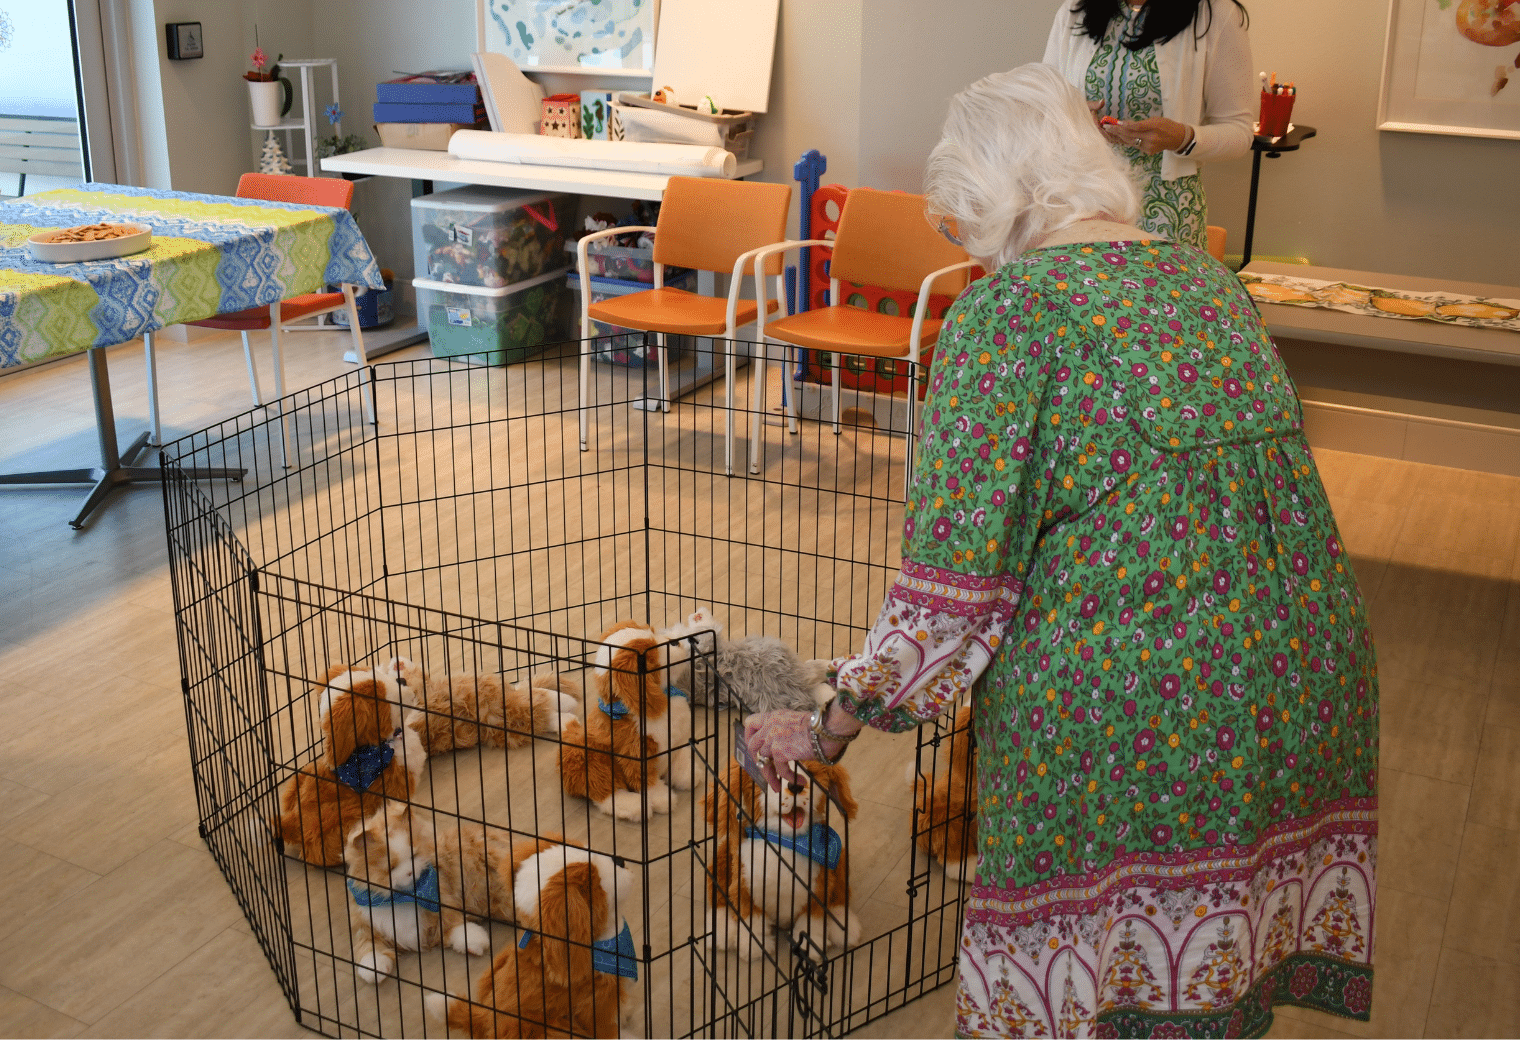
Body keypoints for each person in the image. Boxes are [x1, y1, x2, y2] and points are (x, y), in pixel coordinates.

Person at [743, 63, 1377, 1039]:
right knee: (1203, 967)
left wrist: (829, 726)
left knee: (1087, 976)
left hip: (1140, 709)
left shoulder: (1011, 313)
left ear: (988, 201)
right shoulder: (1205, 280)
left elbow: (952, 588)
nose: (973, 253)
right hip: (1298, 677)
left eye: (963, 228)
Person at [1043, 0, 1255, 252]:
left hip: (1167, 215)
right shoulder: (1074, 11)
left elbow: (1239, 130)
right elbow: (1043, 107)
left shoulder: (1214, 14)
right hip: (1085, 208)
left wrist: (1184, 138)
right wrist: (1074, 118)